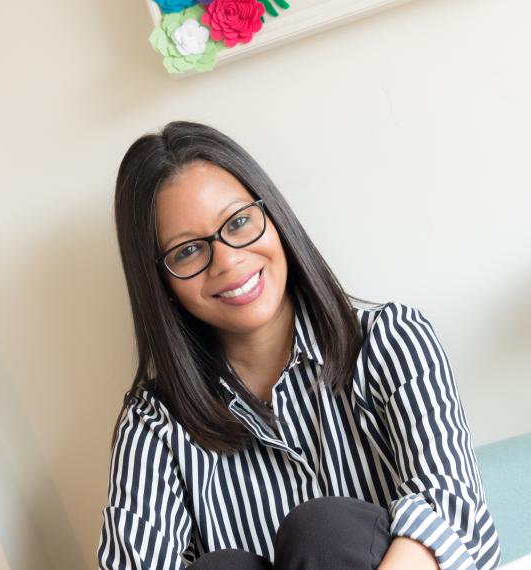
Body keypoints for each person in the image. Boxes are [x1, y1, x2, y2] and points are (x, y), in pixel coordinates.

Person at [98, 120, 501, 570]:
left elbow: (455, 512)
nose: (229, 262)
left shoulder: (390, 340)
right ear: (160, 282)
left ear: (274, 218)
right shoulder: (156, 423)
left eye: (239, 222)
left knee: (325, 533)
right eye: (188, 251)